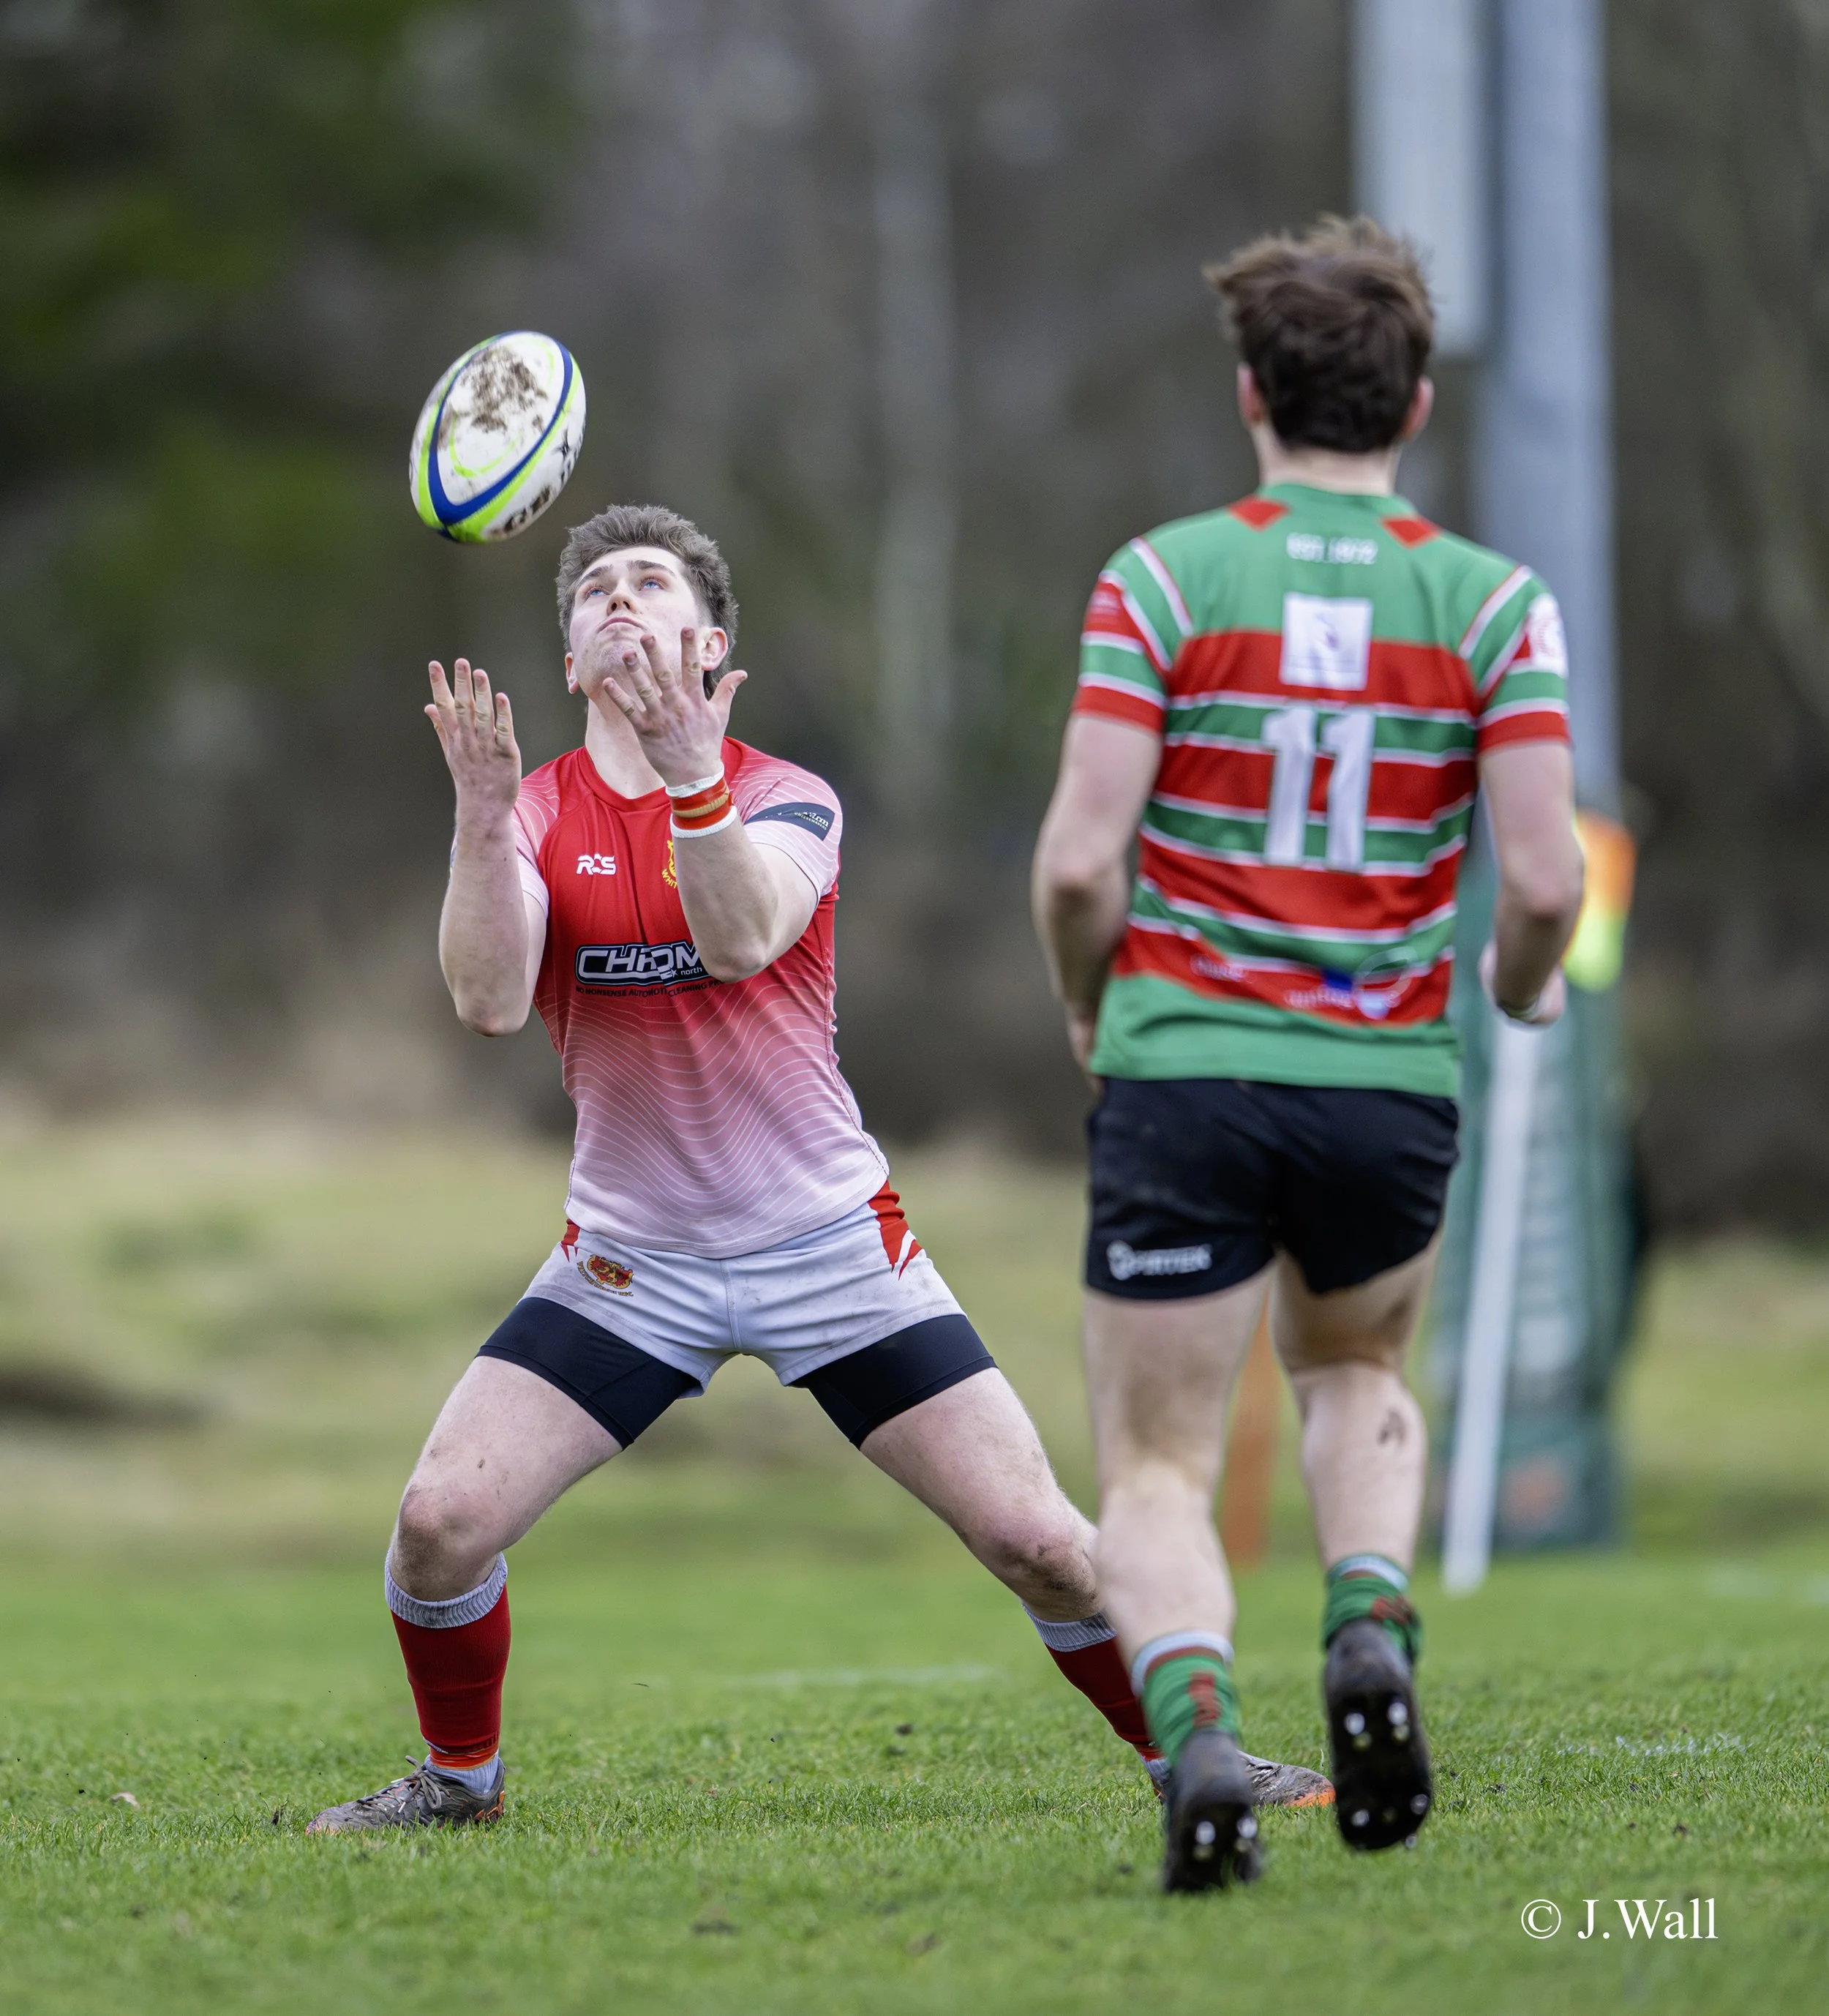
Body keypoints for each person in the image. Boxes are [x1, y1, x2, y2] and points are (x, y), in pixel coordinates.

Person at [308, 502, 1326, 1833]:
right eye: (594, 588)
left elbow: (740, 935)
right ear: (567, 657)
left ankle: (1202, 1758)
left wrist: (690, 776)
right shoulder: (537, 810)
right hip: (630, 1265)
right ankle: (459, 1787)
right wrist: (480, 817)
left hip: (834, 1249)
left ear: (711, 638)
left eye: (652, 581)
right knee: (439, 1522)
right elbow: (491, 998)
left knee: (1043, 1544)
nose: (620, 598)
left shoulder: (789, 795)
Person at [1032, 217, 1585, 1892]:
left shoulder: (1160, 576)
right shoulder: (1491, 602)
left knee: (1153, 1461)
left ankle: (1200, 1735)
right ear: (1412, 403)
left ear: (1249, 392)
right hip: (1380, 1085)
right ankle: (1365, 1628)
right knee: (1351, 1377)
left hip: (1185, 1068)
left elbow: (1076, 863)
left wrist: (1087, 1000)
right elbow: (1547, 881)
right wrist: (1513, 980)